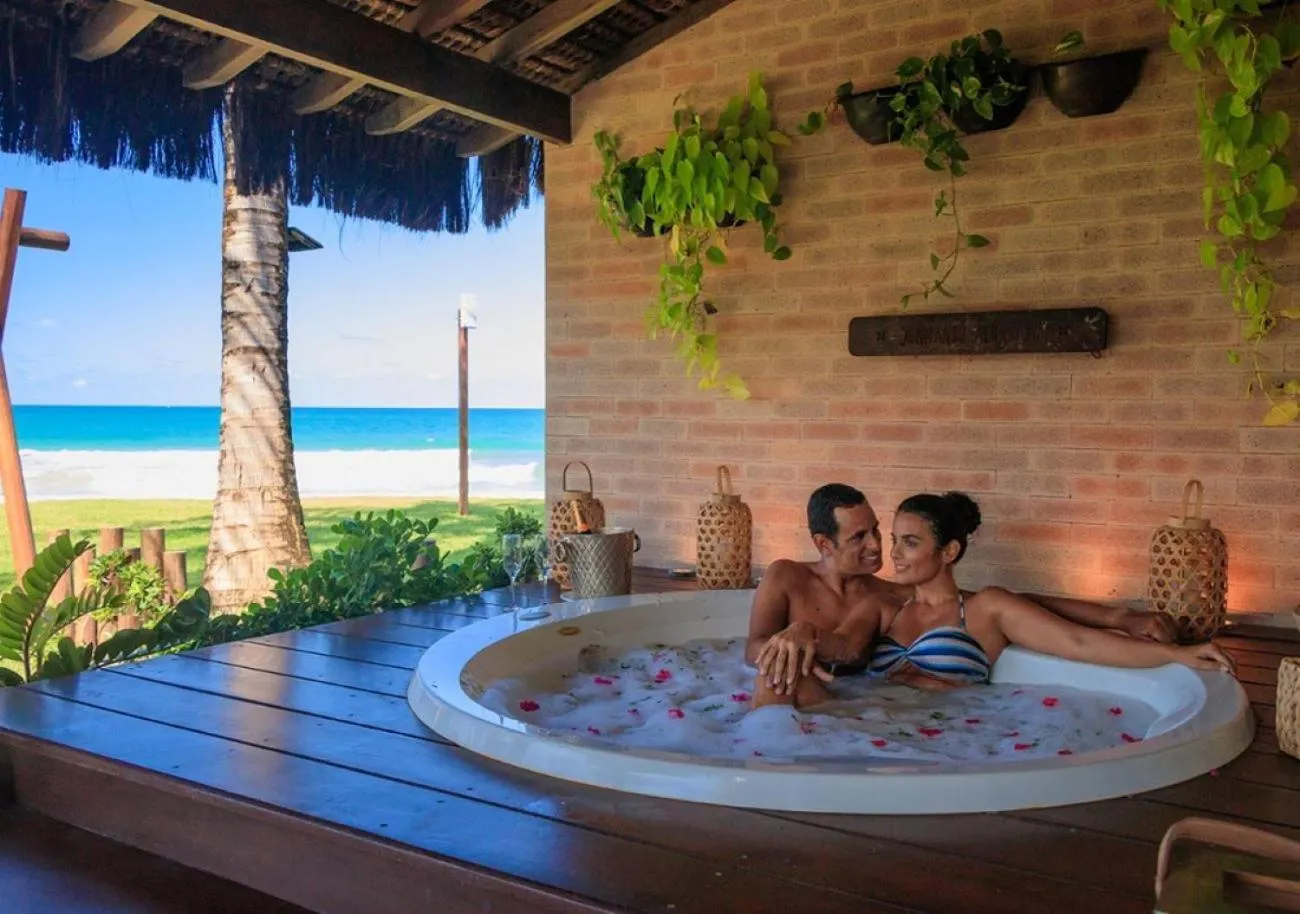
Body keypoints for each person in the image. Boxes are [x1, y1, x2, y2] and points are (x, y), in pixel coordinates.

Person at [748, 484, 1184, 710]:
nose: (881, 549)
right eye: (861, 536)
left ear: (948, 552)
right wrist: (796, 638)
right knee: (775, 672)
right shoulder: (794, 579)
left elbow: (1021, 606)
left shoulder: (892, 593)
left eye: (881, 533)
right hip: (858, 706)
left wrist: (1118, 616)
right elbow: (763, 648)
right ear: (824, 544)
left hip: (920, 716)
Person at [869, 491, 1234, 692]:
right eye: (894, 541)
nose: (895, 554)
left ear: (948, 552)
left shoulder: (984, 609)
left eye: (910, 543)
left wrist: (1177, 655)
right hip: (872, 726)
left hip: (952, 733)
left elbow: (1078, 643)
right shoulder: (887, 604)